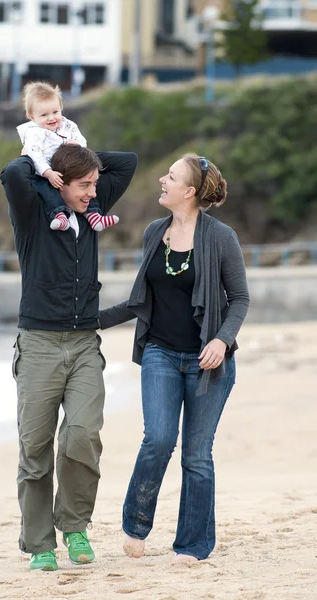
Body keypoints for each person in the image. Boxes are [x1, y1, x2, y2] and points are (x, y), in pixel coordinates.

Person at [99, 152, 249, 563]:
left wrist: (221, 341)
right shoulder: (154, 232)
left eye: (171, 177)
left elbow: (239, 299)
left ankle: (193, 545)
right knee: (159, 439)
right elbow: (139, 300)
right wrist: (89, 320)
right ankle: (136, 525)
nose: (161, 180)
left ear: (189, 192)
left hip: (208, 362)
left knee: (197, 454)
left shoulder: (221, 238)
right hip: (161, 353)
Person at [0, 144, 137, 571]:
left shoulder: (89, 207)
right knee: (35, 448)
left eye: (96, 184)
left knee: (82, 435)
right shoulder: (33, 213)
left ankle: (74, 525)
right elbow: (11, 173)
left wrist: (75, 146)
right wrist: (40, 157)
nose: (94, 193)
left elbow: (126, 162)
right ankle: (41, 543)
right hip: (39, 343)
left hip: (82, 344)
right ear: (60, 183)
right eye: (85, 185)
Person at [17, 81, 119, 232]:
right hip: (45, 171)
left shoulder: (68, 125)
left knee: (87, 186)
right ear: (31, 116)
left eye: (55, 112)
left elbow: (82, 141)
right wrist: (48, 173)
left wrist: (77, 145)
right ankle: (59, 215)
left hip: (68, 167)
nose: (51, 118)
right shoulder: (35, 133)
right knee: (46, 189)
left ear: (61, 108)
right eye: (44, 115)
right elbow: (36, 155)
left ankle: (94, 216)